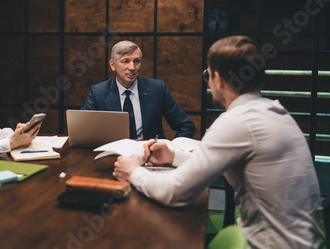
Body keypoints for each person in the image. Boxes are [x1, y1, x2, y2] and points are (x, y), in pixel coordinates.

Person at [113, 36, 325, 248]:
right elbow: (216, 165)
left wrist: (133, 171)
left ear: (219, 79)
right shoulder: (275, 112)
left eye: (208, 75)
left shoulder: (236, 121)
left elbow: (175, 192)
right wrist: (175, 156)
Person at [82, 40, 195, 140]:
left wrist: (172, 150)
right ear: (113, 65)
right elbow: (82, 127)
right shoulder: (99, 92)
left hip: (150, 156)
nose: (132, 67)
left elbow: (186, 125)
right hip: (113, 156)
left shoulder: (157, 89)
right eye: (125, 61)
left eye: (136, 61)